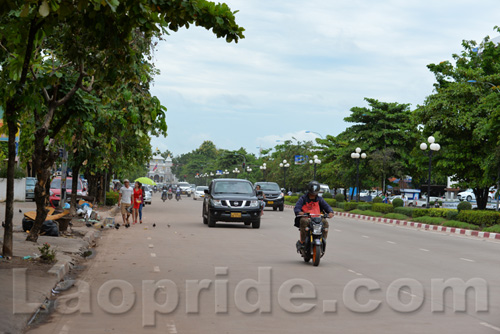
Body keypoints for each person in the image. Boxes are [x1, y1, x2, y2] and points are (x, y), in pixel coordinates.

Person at [294, 181, 334, 249]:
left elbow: (326, 206)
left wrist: (330, 212)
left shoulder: (320, 199)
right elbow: (297, 207)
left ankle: (322, 240)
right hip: (307, 218)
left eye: (315, 193)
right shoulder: (303, 198)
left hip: (317, 217)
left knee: (325, 223)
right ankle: (303, 241)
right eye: (312, 193)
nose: (313, 195)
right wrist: (300, 212)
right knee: (304, 221)